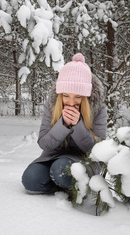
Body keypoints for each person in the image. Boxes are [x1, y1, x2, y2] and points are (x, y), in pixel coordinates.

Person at [21, 53, 107, 194]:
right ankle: (59, 185)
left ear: (86, 97)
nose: (71, 102)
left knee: (61, 168)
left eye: (78, 97)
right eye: (66, 96)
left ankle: (75, 186)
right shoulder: (52, 105)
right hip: (52, 156)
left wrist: (77, 125)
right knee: (31, 179)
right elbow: (44, 143)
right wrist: (63, 125)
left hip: (83, 159)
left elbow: (97, 151)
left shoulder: (99, 109)